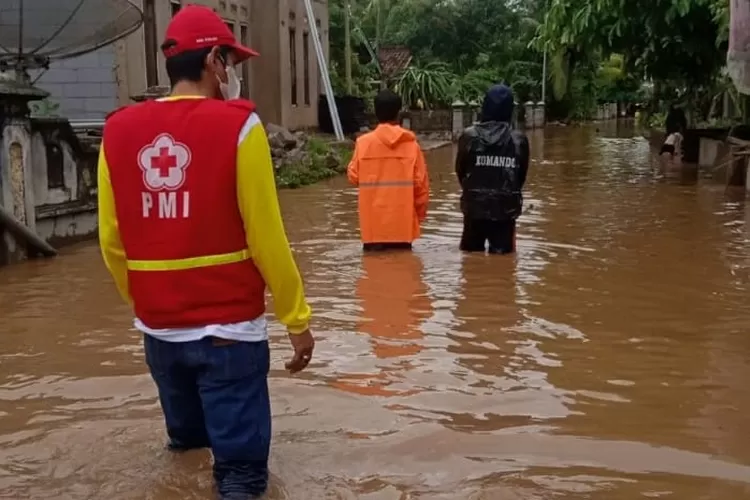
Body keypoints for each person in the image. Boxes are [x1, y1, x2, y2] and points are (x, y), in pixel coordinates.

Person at [97, 6, 314, 499]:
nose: (232, 74)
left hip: (159, 334)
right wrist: (296, 319)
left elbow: (111, 240)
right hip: (229, 335)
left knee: (186, 455)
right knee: (239, 476)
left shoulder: (117, 131)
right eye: (230, 61)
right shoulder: (240, 127)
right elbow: (266, 236)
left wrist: (148, 304)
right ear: (215, 61)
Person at [347, 90, 430, 251]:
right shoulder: (412, 146)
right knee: (404, 272)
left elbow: (353, 176)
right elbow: (422, 189)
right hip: (403, 228)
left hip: (372, 230)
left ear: (376, 113)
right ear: (398, 113)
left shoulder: (363, 144)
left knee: (373, 273)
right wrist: (417, 218)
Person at [455, 84, 529, 254]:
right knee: (503, 266)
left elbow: (460, 171)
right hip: (505, 210)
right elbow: (520, 176)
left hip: (474, 208)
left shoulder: (469, 136)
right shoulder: (518, 139)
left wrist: (474, 192)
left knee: (471, 261)